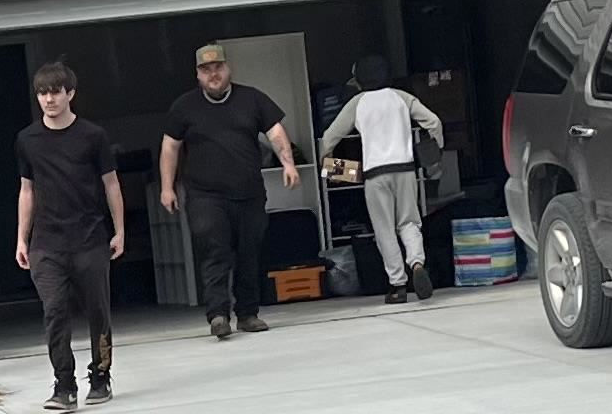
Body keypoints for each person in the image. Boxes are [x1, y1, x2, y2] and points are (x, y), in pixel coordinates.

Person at [159, 44, 299, 340]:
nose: (213, 74)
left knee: (249, 252)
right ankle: (218, 315)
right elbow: (170, 146)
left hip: (249, 193)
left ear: (228, 69)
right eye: (206, 70)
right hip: (205, 195)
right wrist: (167, 187)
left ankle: (247, 314)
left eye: (218, 68)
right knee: (215, 251)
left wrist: (288, 164)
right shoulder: (184, 106)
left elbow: (275, 131)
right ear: (197, 74)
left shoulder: (252, 98)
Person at [15, 61, 124, 412]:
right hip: (46, 243)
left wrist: (120, 230)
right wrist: (22, 238)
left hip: (89, 238)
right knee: (54, 311)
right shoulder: (27, 140)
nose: (49, 99)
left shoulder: (93, 136)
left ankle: (101, 377)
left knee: (98, 312)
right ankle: (64, 385)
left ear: (70, 94)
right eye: (42, 93)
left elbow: (111, 184)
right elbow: (27, 190)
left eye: (55, 92)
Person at [318, 55, 442, 304]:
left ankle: (398, 286)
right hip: (405, 170)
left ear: (360, 79)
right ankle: (417, 263)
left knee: (385, 230)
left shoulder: (357, 102)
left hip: (374, 174)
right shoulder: (401, 97)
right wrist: (433, 155)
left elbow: (329, 137)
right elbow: (434, 122)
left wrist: (329, 166)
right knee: (409, 223)